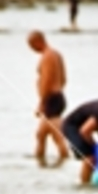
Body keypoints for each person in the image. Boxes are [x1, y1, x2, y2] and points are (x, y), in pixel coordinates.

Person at [28, 30, 69, 165]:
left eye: (31, 45)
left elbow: (46, 80)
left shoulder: (47, 57)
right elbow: (63, 79)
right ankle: (42, 164)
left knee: (57, 136)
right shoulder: (56, 54)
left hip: (51, 99)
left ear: (38, 42)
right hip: (58, 97)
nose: (31, 49)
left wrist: (42, 102)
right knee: (41, 134)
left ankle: (64, 158)